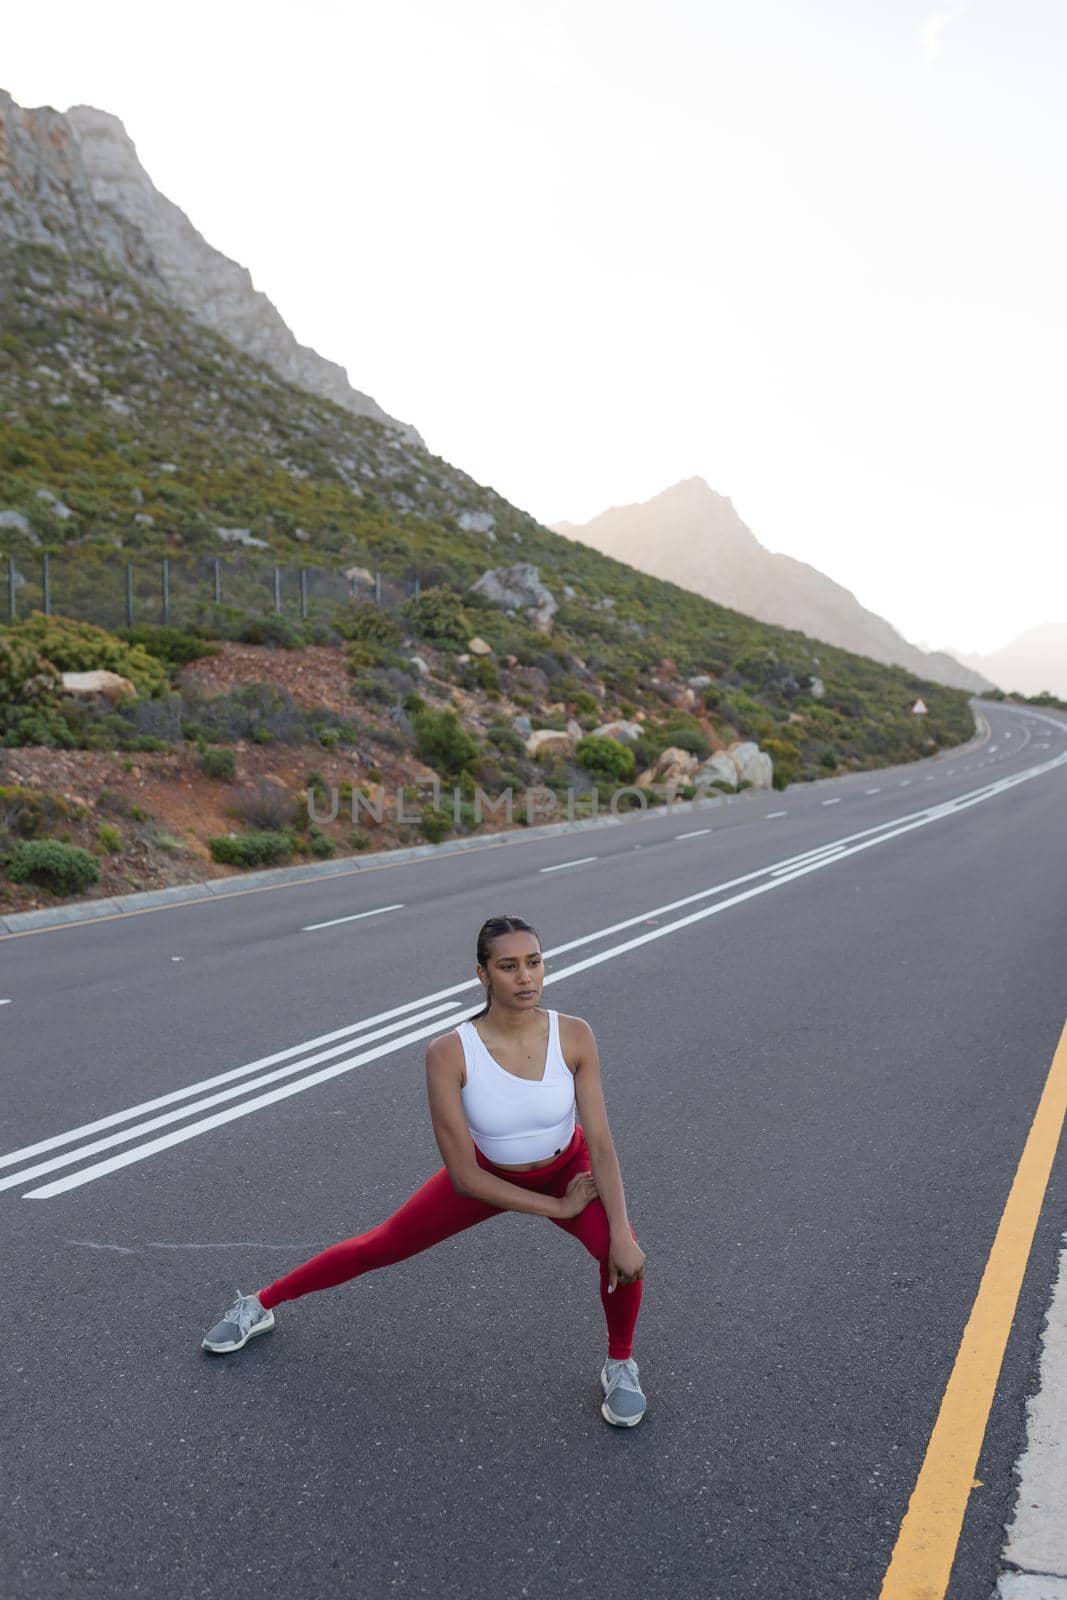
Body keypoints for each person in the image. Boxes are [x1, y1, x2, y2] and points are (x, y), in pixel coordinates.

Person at [201, 914, 648, 1426]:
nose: (526, 977)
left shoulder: (574, 1035)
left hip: (570, 1167)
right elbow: (465, 1177)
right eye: (508, 966)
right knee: (382, 1244)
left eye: (534, 962)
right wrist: (556, 1207)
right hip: (489, 1175)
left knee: (623, 1254)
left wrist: (618, 1229)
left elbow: (603, 1144)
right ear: (482, 975)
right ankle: (260, 1303)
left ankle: (620, 1364)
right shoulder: (449, 1052)